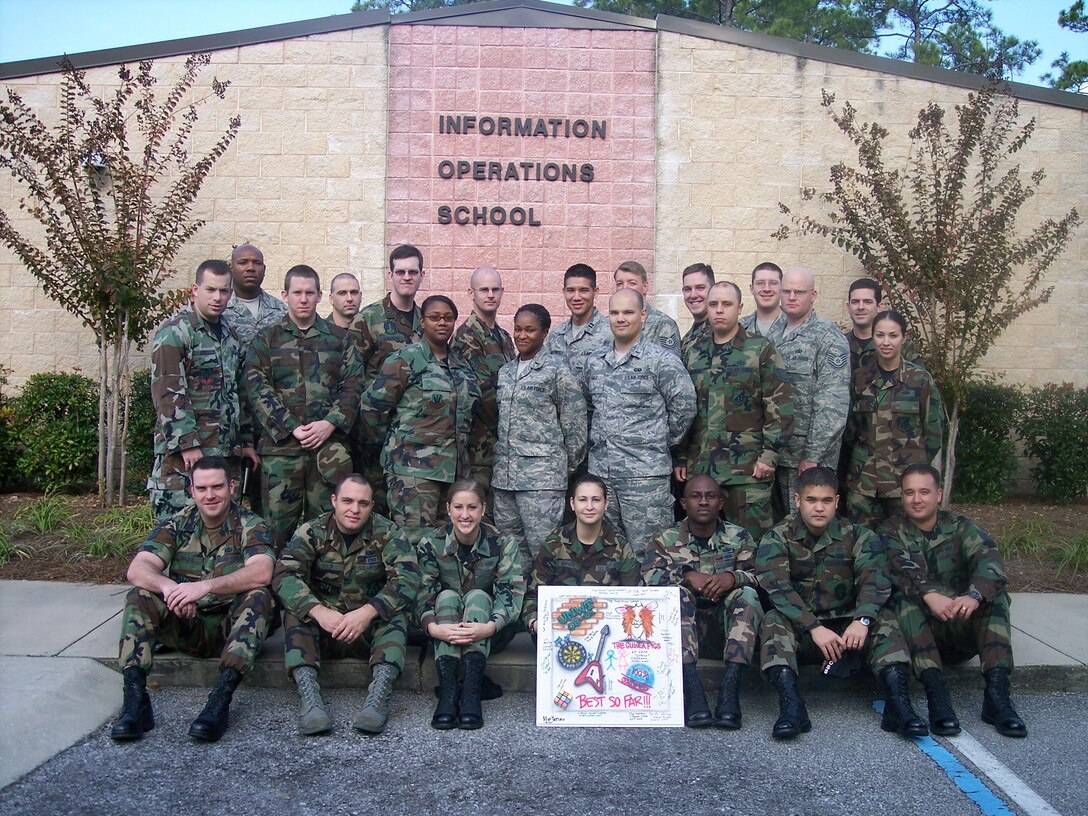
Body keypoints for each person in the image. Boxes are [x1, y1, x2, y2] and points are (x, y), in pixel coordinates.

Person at [110, 457, 275, 743]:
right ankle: (135, 702)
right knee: (139, 595)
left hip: (232, 630)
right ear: (192, 490)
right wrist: (170, 588)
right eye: (202, 488)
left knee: (259, 596)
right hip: (188, 624)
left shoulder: (251, 525)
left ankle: (219, 701)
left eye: (217, 487)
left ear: (232, 487)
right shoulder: (177, 524)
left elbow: (262, 571)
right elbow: (137, 569)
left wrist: (203, 588)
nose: (210, 495)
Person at [756, 466, 927, 740]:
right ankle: (791, 709)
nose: (819, 508)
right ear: (798, 500)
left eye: (826, 501)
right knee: (774, 621)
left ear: (837, 502)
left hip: (850, 631)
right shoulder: (777, 537)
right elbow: (776, 587)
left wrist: (863, 620)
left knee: (886, 621)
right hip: (806, 632)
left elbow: (876, 579)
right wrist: (813, 627)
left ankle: (900, 706)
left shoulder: (858, 536)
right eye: (811, 500)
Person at [881, 464, 1026, 738]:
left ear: (938, 494)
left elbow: (990, 561)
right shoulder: (890, 530)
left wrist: (973, 596)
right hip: (921, 634)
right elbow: (897, 566)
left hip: (961, 624)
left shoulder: (960, 527)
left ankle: (998, 697)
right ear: (901, 496)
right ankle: (938, 698)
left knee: (995, 599)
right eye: (909, 492)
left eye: (924, 492)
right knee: (902, 601)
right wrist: (929, 594)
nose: (917, 499)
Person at [273, 474, 419, 735]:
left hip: (366, 631)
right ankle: (310, 699)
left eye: (363, 503)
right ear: (334, 501)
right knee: (296, 614)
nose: (354, 509)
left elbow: (407, 577)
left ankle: (378, 697)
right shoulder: (311, 532)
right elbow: (285, 574)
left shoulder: (387, 532)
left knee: (394, 614)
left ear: (372, 506)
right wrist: (318, 611)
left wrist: (367, 612)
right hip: (325, 630)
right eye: (347, 501)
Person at [245, 264, 363, 549]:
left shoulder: (340, 339)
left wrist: (330, 423)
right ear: (285, 295)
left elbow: (353, 385)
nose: (303, 299)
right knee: (273, 531)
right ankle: (269, 588)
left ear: (320, 296)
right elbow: (257, 386)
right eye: (297, 292)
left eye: (310, 292)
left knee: (325, 529)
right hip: (280, 451)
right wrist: (292, 427)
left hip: (327, 452)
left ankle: (319, 588)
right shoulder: (267, 339)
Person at [582, 289, 696, 562]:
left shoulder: (661, 361)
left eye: (628, 312)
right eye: (615, 313)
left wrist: (657, 440)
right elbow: (588, 407)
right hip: (603, 477)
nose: (620, 319)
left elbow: (685, 405)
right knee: (607, 556)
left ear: (643, 315)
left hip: (645, 478)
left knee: (652, 556)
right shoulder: (595, 363)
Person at [644, 476, 762, 729]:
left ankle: (730, 691)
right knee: (677, 595)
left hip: (726, 630)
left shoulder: (739, 537)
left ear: (720, 502)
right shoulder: (665, 539)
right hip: (684, 634)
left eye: (710, 496)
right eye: (696, 496)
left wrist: (732, 577)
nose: (704, 501)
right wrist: (686, 576)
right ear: (684, 503)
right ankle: (693, 691)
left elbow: (760, 577)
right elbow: (649, 578)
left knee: (748, 596)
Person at [676, 281, 792, 539]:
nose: (719, 310)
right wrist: (681, 455)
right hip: (702, 470)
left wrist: (769, 455)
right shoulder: (692, 351)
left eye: (726, 304)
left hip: (747, 471)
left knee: (752, 543)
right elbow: (683, 408)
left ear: (739, 308)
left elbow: (779, 403)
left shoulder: (760, 349)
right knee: (703, 542)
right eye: (713, 304)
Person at [362, 295, 481, 542]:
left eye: (448, 318)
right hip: (413, 473)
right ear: (422, 323)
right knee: (415, 544)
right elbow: (372, 408)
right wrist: (392, 448)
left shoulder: (461, 365)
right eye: (434, 317)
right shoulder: (405, 360)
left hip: (455, 473)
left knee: (449, 545)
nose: (442, 323)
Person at [147, 259, 258, 521]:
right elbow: (167, 391)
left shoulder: (231, 336)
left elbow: (239, 394)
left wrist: (245, 442)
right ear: (195, 290)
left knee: (222, 531)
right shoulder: (175, 332)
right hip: (186, 457)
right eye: (211, 290)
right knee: (178, 528)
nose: (217, 297)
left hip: (225, 454)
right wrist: (187, 443)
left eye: (224, 291)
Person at [416, 480, 525, 730]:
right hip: (443, 631)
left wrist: (489, 627)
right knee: (446, 597)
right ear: (448, 508)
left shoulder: (502, 543)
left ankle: (471, 693)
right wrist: (433, 629)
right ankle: (449, 693)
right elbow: (423, 595)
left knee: (477, 596)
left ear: (483, 508)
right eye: (458, 507)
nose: (465, 515)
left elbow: (511, 592)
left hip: (490, 632)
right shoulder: (431, 544)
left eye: (472, 507)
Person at [492, 304, 587, 576]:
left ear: (545, 332)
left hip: (542, 482)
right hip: (505, 480)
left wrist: (561, 468)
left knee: (545, 552)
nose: (522, 336)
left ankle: (550, 613)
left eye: (530, 330)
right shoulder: (506, 372)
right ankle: (521, 613)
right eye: (518, 329)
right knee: (512, 554)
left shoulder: (557, 371)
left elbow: (576, 424)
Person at [844, 310, 944, 527]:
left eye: (893, 335)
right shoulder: (859, 379)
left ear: (903, 338)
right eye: (880, 335)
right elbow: (850, 430)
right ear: (872, 336)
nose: (886, 342)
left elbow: (933, 433)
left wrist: (915, 466)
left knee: (906, 545)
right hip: (864, 483)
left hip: (905, 483)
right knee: (861, 545)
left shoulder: (919, 379)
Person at [766, 266, 850, 517]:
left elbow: (832, 405)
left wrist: (812, 456)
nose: (792, 297)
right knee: (779, 528)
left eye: (799, 292)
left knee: (806, 524)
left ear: (813, 296)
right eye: (787, 291)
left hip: (807, 459)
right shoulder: (774, 331)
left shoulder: (829, 339)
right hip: (776, 453)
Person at [348, 244, 425, 508]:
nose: (407, 277)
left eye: (413, 272)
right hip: (375, 437)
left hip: (413, 438)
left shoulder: (426, 322)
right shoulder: (368, 319)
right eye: (400, 271)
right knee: (374, 507)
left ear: (421, 276)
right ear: (390, 275)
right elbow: (350, 376)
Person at [522, 473, 640, 636]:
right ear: (572, 503)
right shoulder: (554, 544)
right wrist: (535, 623)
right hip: (559, 629)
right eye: (583, 499)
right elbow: (533, 596)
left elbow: (634, 597)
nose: (589, 506)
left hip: (607, 631)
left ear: (606, 503)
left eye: (596, 500)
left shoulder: (620, 545)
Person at [450, 266, 516, 503]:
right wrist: (509, 428)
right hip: (480, 447)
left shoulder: (505, 337)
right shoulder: (467, 336)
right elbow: (481, 393)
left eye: (495, 289)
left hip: (502, 445)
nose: (490, 294)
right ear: (471, 293)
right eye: (484, 289)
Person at [541, 263, 612, 378]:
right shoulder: (556, 335)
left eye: (583, 290)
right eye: (571, 290)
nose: (577, 297)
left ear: (596, 292)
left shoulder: (610, 334)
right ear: (564, 292)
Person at [220, 243, 287, 346]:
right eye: (243, 262)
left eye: (257, 263)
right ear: (231, 268)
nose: (250, 268)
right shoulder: (219, 308)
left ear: (264, 269)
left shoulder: (281, 311)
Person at [613, 260, 681, 355]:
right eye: (619, 284)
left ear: (645, 287)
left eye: (632, 283)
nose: (625, 288)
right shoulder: (612, 323)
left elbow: (670, 366)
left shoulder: (663, 324)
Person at [739, 261, 785, 338]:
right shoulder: (739, 328)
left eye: (773, 283)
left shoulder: (794, 325)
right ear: (751, 288)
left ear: (783, 288)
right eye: (760, 283)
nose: (766, 289)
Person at [679, 262, 714, 358]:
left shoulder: (721, 333)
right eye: (688, 289)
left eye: (700, 288)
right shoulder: (687, 339)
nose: (693, 295)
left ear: (712, 290)